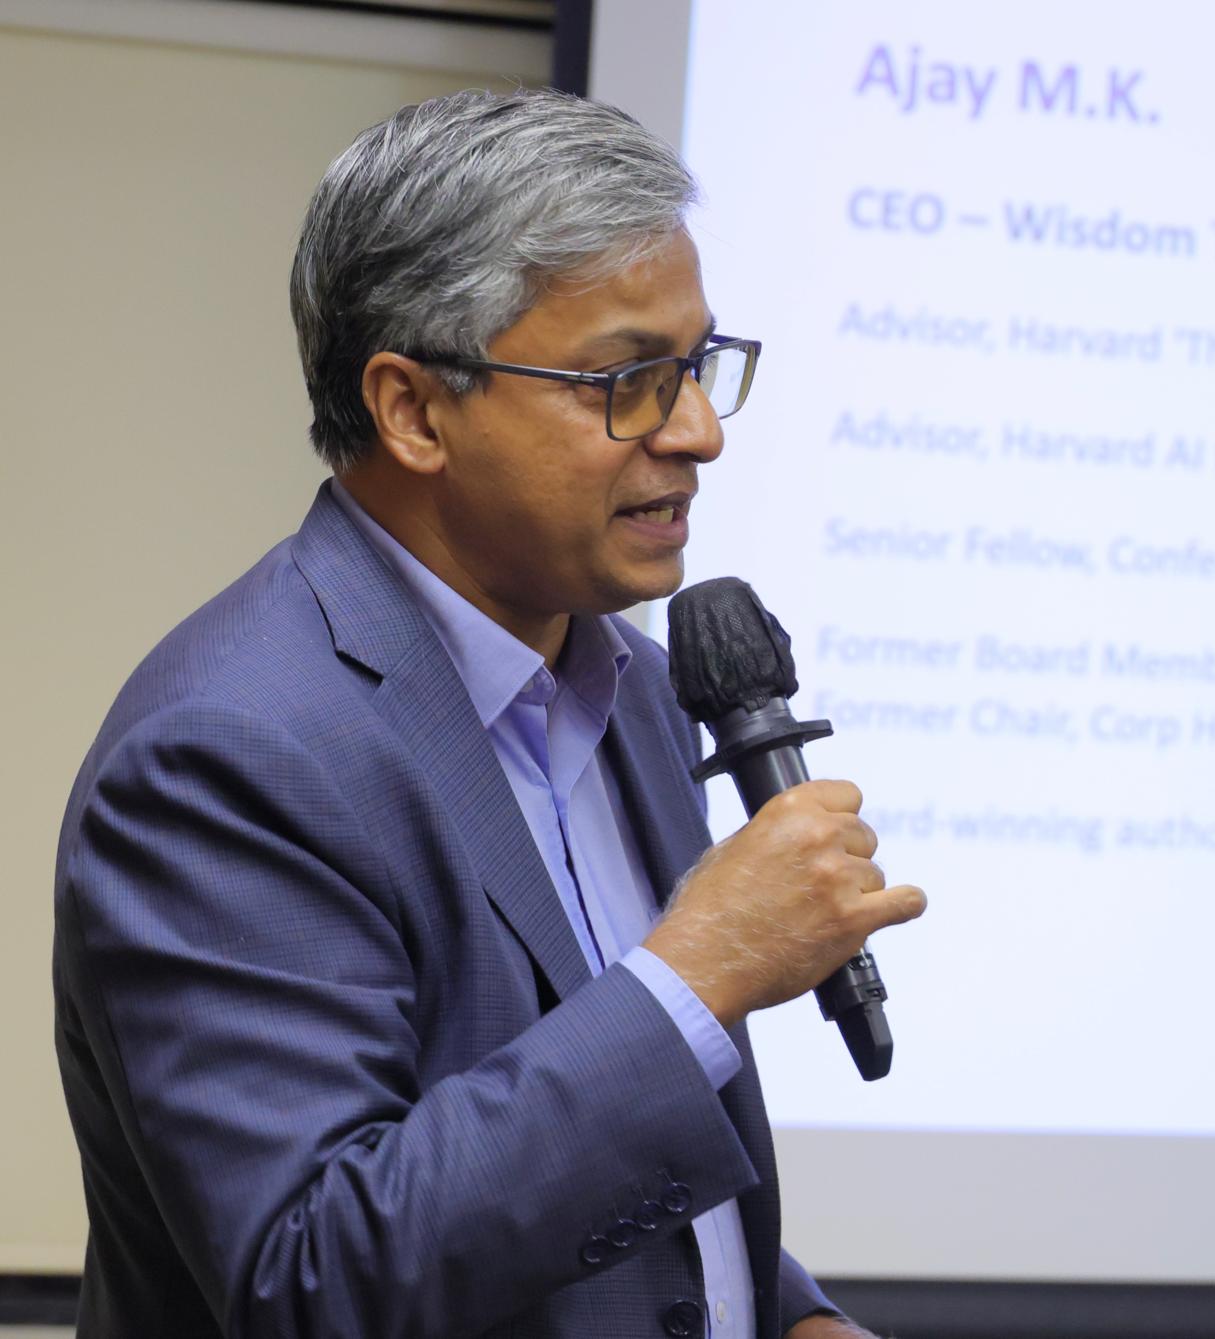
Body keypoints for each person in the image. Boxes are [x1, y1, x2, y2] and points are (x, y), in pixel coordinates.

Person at [53, 87, 926, 1339]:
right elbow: (316, 1276)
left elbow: (599, 1168)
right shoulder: (226, 753)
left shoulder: (627, 686)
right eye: (627, 378)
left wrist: (788, 1316)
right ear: (412, 409)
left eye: (696, 368)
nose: (694, 433)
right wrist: (700, 972)